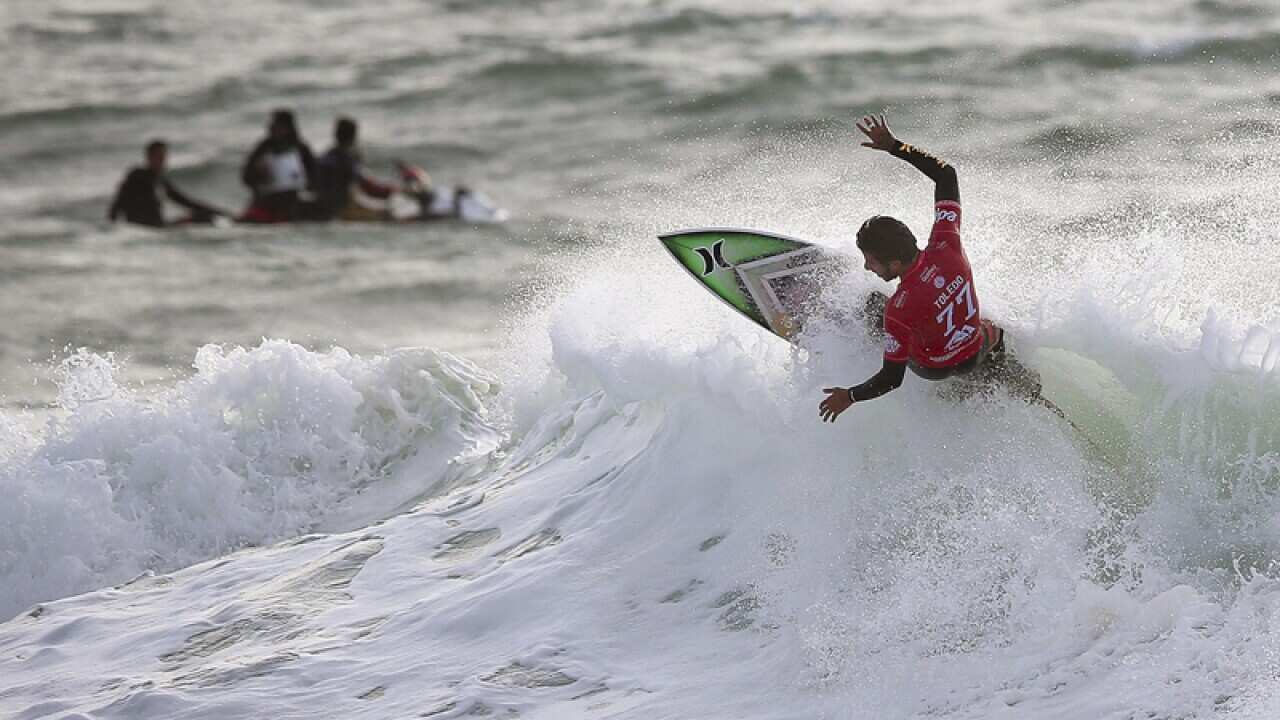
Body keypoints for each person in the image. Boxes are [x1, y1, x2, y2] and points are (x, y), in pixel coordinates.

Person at [819, 114, 1045, 423]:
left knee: (872, 305)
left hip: (935, 368)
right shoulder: (946, 244)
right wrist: (895, 146)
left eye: (871, 260)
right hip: (974, 350)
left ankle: (960, 389)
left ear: (894, 263)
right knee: (994, 329)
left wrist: (850, 395)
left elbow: (891, 378)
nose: (867, 266)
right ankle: (1003, 375)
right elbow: (946, 176)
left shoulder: (898, 309)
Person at [108, 140, 226, 228]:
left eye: (164, 157)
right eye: (159, 157)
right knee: (204, 218)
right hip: (146, 228)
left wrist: (219, 212)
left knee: (204, 217)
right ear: (149, 157)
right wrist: (112, 227)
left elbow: (183, 200)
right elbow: (119, 200)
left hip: (158, 226)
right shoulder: (137, 176)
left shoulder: (159, 179)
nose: (162, 161)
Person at [314, 117, 402, 221]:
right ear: (353, 136)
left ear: (336, 134)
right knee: (388, 215)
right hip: (342, 210)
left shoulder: (325, 157)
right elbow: (368, 188)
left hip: (324, 206)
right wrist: (394, 191)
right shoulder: (347, 159)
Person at [240, 109, 318, 223]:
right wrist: (258, 174)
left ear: (288, 128)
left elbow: (314, 177)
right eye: (272, 125)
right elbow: (246, 177)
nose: (272, 128)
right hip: (266, 200)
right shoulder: (263, 148)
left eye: (277, 126)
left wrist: (305, 184)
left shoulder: (301, 149)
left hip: (291, 201)